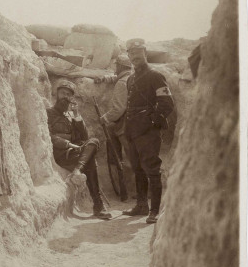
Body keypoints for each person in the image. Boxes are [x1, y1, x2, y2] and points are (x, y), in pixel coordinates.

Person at [122, 42, 174, 224]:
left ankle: (155, 211)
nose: (134, 56)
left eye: (137, 52)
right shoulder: (130, 79)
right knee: (137, 168)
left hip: (148, 132)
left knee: (152, 169)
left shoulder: (155, 75)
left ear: (145, 52)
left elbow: (167, 103)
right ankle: (141, 206)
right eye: (131, 53)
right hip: (133, 130)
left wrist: (151, 121)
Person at [47, 79, 112, 220]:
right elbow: (48, 136)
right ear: (56, 95)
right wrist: (68, 144)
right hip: (61, 154)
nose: (66, 97)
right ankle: (98, 206)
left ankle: (77, 170)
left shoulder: (71, 116)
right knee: (91, 162)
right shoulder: (48, 113)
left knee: (94, 141)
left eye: (69, 95)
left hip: (75, 155)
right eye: (63, 93)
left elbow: (84, 137)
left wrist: (77, 116)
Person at [94, 55, 133, 200]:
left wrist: (104, 118)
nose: (115, 68)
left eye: (117, 66)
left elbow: (118, 109)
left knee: (132, 160)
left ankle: (136, 193)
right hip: (138, 127)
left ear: (121, 67)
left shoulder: (121, 84)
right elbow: (117, 77)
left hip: (126, 127)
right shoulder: (131, 78)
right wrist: (105, 78)